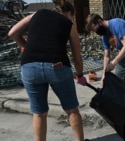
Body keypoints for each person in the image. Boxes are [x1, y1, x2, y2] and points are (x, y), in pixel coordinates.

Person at [8, 0, 88, 141]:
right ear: (69, 13)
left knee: (39, 113)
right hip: (57, 66)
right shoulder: (69, 24)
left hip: (29, 66)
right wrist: (80, 74)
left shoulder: (36, 14)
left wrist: (26, 46)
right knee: (72, 110)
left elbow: (12, 33)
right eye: (72, 17)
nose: (72, 20)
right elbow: (77, 57)